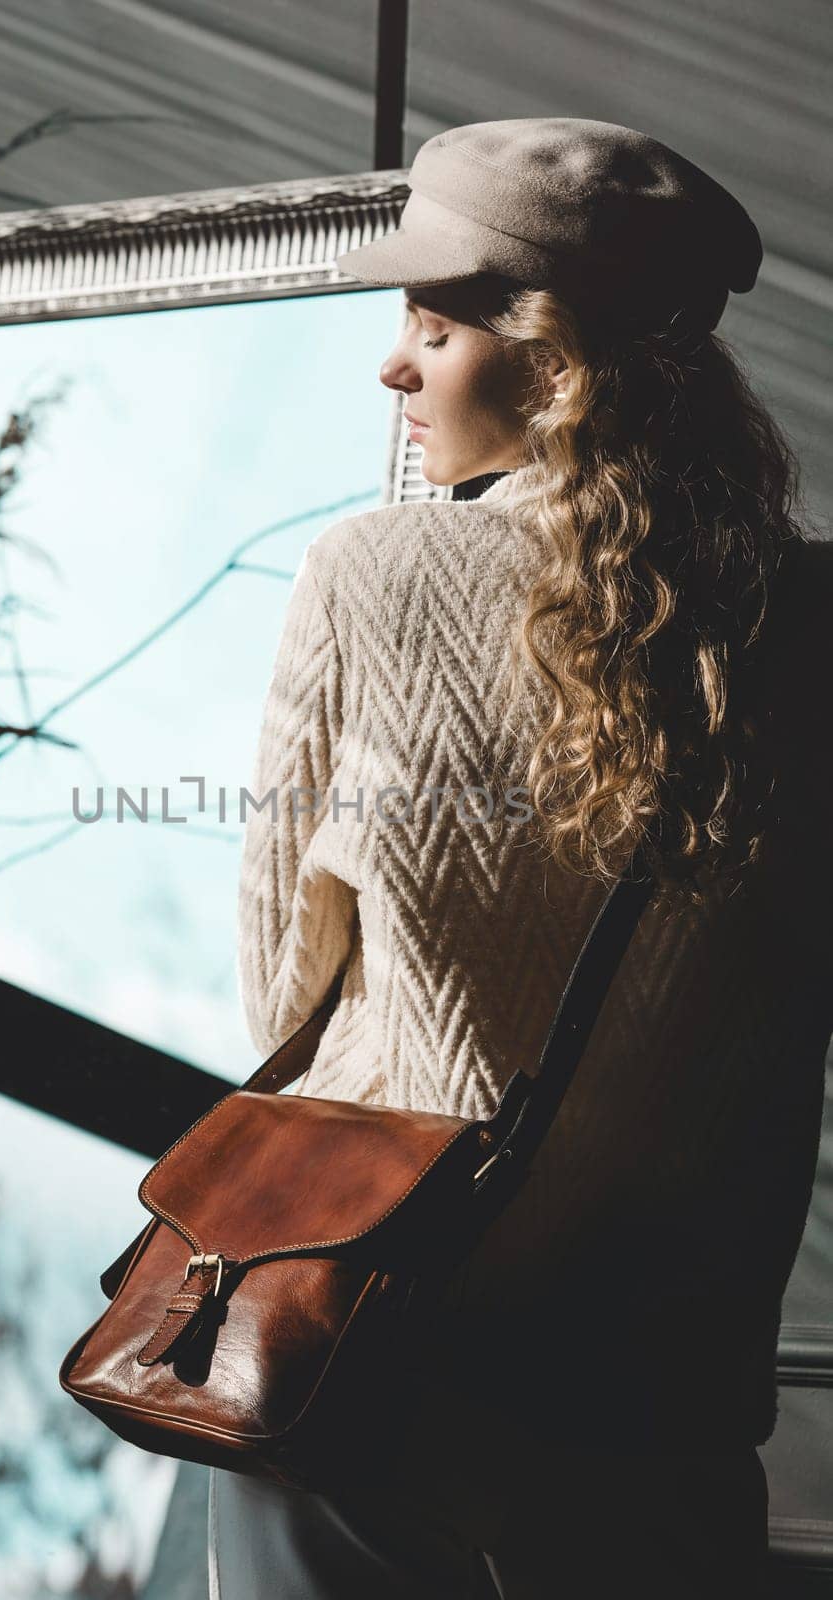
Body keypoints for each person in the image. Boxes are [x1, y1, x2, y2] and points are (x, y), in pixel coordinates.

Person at [209, 117, 833, 1598]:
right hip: (659, 1406)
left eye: (430, 328)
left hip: (372, 1349)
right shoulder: (813, 630)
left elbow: (279, 990)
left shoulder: (370, 571)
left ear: (551, 359)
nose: (393, 369)